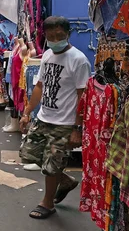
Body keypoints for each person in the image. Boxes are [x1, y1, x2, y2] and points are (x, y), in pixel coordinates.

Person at [19, 16, 90, 220]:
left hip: (65, 122)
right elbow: (40, 86)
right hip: (44, 117)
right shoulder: (48, 54)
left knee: (51, 165)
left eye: (59, 36)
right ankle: (65, 180)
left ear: (68, 35)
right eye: (51, 36)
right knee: (31, 154)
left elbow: (82, 96)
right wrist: (27, 113)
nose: (55, 39)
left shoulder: (78, 60)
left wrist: (78, 128)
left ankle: (47, 203)